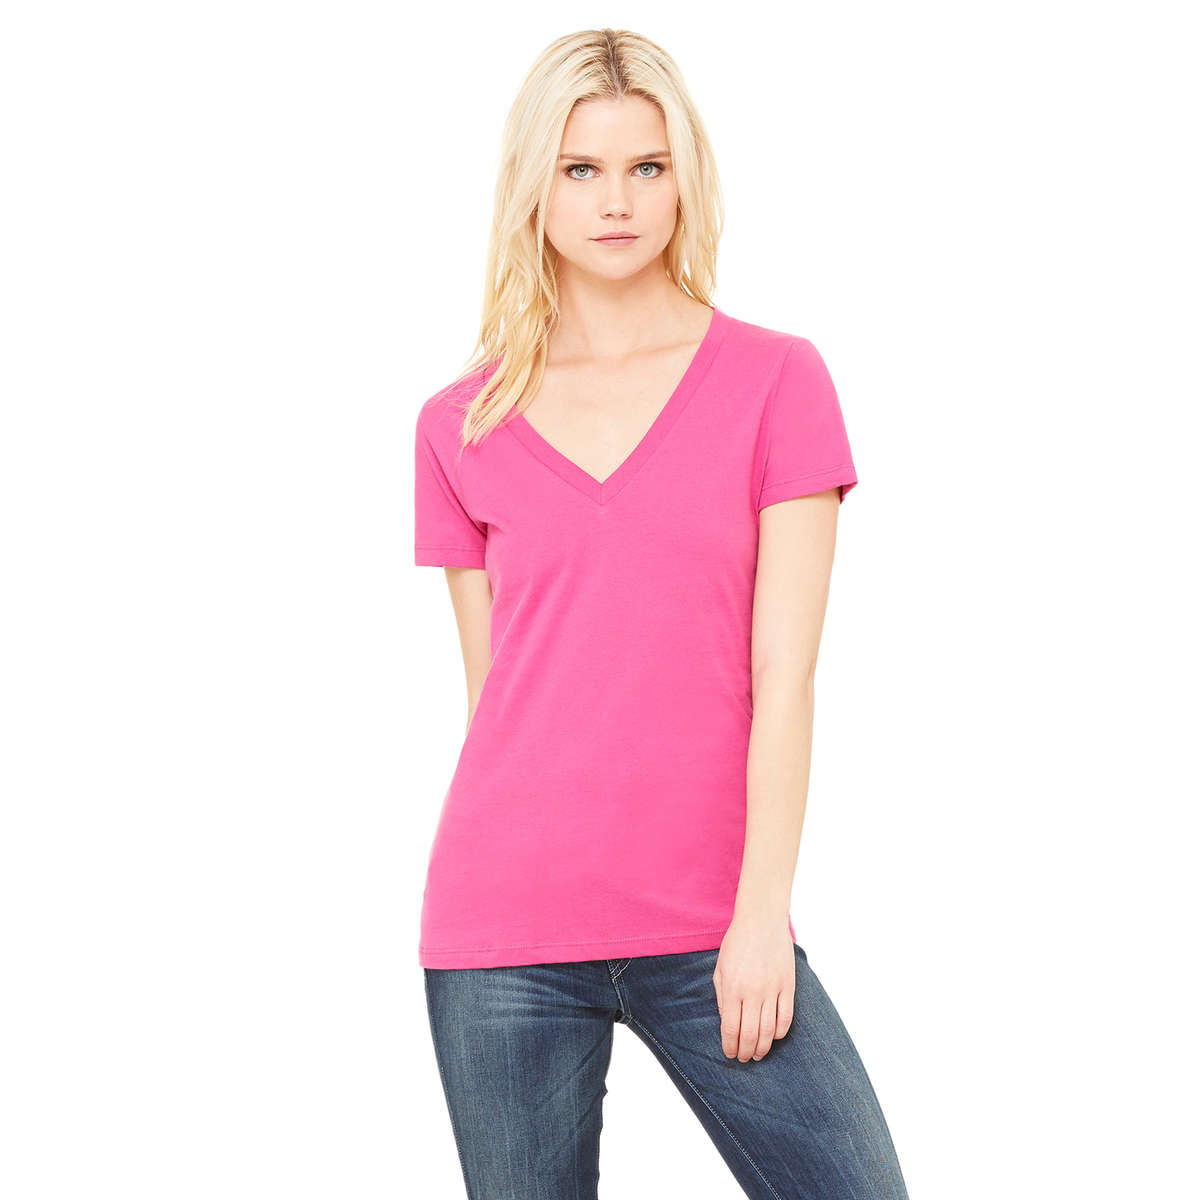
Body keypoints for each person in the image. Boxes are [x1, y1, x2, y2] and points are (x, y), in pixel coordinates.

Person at [412, 27, 909, 1200]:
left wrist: (761, 914)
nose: (617, 201)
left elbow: (785, 674)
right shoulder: (460, 424)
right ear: (534, 187)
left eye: (648, 166)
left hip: (712, 920)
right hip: (503, 931)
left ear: (687, 179)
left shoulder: (778, 380)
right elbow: (495, 698)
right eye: (581, 169)